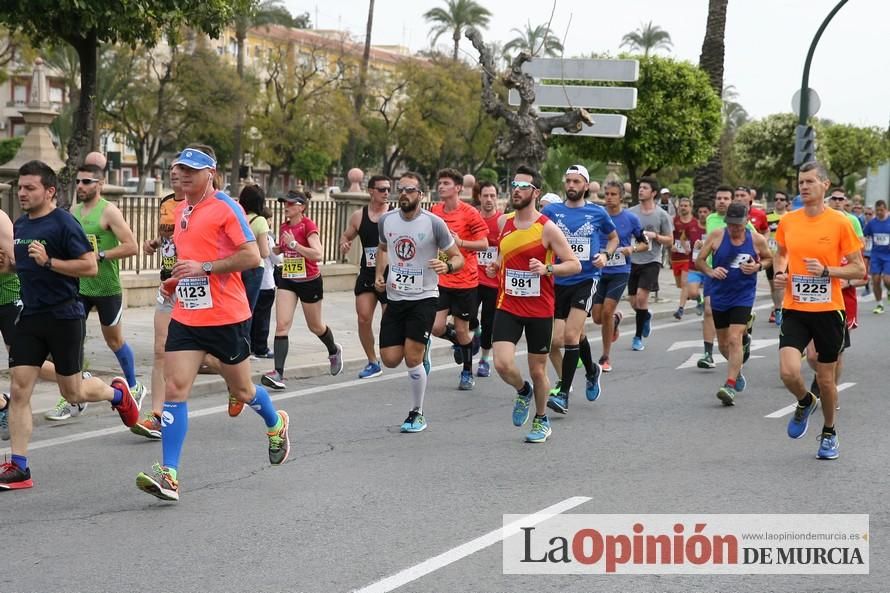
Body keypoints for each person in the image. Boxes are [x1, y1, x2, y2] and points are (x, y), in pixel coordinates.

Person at [135, 147, 289, 501]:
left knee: (244, 391)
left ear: (211, 173)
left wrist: (203, 268)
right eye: (179, 169)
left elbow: (253, 256)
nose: (184, 175)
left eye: (192, 170)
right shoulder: (183, 211)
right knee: (175, 389)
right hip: (188, 316)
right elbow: (190, 261)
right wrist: (176, 281)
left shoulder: (226, 207)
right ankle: (170, 474)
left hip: (225, 318)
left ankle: (275, 422)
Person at [0, 160, 140, 491]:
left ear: (49, 191)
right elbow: (23, 267)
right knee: (20, 388)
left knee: (72, 391)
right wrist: (8, 266)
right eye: (20, 187)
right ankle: (19, 467)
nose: (22, 193)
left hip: (64, 316)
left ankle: (117, 393)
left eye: (30, 188)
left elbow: (90, 266)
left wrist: (50, 261)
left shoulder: (65, 223)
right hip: (31, 316)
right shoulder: (21, 225)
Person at [773, 161, 865, 460]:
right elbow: (782, 253)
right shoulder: (789, 221)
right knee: (788, 372)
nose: (804, 186)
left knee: (826, 380)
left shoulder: (840, 222)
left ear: (825, 185)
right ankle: (804, 401)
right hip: (795, 307)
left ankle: (829, 432)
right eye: (801, 181)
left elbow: (858, 269)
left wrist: (827, 271)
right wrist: (780, 271)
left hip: (828, 311)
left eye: (810, 181)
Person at [42, 164, 143, 422]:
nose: (80, 187)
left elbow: (131, 246)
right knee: (72, 340)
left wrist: (99, 255)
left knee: (114, 340)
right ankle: (73, 397)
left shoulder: (109, 211)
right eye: (78, 182)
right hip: (80, 287)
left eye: (87, 182)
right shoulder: (73, 212)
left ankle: (133, 387)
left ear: (100, 184)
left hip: (106, 286)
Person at [488, 165, 580, 443]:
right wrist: (496, 265)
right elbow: (503, 254)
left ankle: (541, 420)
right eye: (514, 184)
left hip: (540, 309)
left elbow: (574, 265)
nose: (517, 189)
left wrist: (547, 269)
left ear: (535, 192)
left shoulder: (547, 228)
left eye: (523, 186)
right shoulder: (504, 223)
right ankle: (522, 391)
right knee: (502, 364)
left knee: (538, 369)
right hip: (508, 305)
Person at [374, 171, 463, 432]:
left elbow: (457, 257)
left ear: (421, 195)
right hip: (395, 297)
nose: (404, 194)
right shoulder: (386, 221)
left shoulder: (434, 223)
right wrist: (380, 273)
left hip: (423, 298)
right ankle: (421, 352)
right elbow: (382, 249)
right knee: (390, 359)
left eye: (410, 190)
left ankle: (417, 412)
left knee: (412, 358)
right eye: (400, 189)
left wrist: (446, 266)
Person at [542, 164, 617, 415]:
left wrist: (606, 255)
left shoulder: (597, 212)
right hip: (558, 281)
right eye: (569, 181)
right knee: (557, 340)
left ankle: (563, 393)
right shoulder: (552, 211)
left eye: (577, 181)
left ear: (586, 185)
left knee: (570, 337)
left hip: (586, 278)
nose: (572, 185)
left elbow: (614, 237)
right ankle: (591, 370)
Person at [262, 190, 343, 390]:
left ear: (301, 206)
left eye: (289, 204)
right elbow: (288, 249)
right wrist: (281, 249)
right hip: (288, 279)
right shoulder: (283, 227)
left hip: (309, 281)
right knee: (282, 324)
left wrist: (294, 244)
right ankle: (278, 373)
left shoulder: (308, 226)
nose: (285, 207)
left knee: (315, 326)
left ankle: (333, 350)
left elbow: (318, 254)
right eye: (284, 204)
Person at [696, 203, 771, 405]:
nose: (735, 229)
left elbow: (769, 259)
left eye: (738, 225)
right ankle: (736, 372)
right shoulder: (717, 236)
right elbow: (700, 260)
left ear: (746, 222)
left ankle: (729, 385)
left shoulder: (756, 239)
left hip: (743, 295)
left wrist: (757, 266)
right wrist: (711, 272)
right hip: (720, 294)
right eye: (731, 225)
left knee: (733, 337)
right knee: (722, 345)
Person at [131, 164, 185, 439]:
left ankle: (240, 385)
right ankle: (156, 416)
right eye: (173, 170)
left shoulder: (201, 203)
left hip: (194, 284)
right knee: (160, 348)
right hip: (167, 283)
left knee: (214, 351)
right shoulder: (165, 203)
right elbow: (168, 240)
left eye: (182, 169)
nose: (175, 173)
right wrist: (155, 243)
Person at [430, 168, 489, 391]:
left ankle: (466, 371)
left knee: (464, 330)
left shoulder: (470, 213)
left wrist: (460, 243)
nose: (441, 187)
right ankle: (463, 343)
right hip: (442, 280)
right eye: (440, 183)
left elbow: (484, 244)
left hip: (466, 281)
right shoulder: (435, 211)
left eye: (446, 183)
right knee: (436, 328)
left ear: (457, 188)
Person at [339, 174, 391, 379]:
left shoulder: (394, 216)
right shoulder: (359, 216)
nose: (386, 193)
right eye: (381, 189)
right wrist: (344, 244)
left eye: (388, 189)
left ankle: (401, 351)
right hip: (367, 273)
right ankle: (372, 361)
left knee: (391, 320)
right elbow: (346, 235)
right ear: (370, 191)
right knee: (363, 319)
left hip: (390, 275)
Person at [592, 180, 646, 373]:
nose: (609, 197)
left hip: (620, 271)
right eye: (607, 194)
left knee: (606, 311)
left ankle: (605, 357)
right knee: (598, 318)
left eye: (613, 194)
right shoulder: (597, 216)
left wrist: (631, 248)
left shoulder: (630, 219)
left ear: (621, 197)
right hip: (599, 271)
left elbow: (644, 243)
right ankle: (614, 320)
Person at [628, 177, 673, 351]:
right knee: (634, 302)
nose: (641, 190)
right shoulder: (631, 212)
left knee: (641, 297)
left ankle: (637, 338)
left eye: (645, 188)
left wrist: (656, 236)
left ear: (653, 193)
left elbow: (670, 241)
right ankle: (645, 315)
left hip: (652, 261)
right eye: (640, 187)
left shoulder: (662, 215)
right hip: (633, 260)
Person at [470, 180, 501, 378]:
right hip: (472, 278)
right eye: (485, 196)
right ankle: (476, 333)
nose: (489, 200)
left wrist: (496, 263)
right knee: (467, 315)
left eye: (492, 196)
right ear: (479, 197)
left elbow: (506, 248)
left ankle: (484, 359)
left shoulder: (502, 221)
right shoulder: (473, 218)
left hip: (493, 280)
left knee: (489, 321)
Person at [237, 184, 272, 322]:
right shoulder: (260, 221)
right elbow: (264, 252)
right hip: (254, 269)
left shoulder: (238, 218)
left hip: (238, 266)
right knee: (248, 310)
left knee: (238, 306)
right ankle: (247, 341)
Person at [251, 214, 280, 360]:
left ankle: (250, 346)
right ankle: (261, 347)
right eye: (269, 219)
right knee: (263, 317)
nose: (270, 222)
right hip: (265, 282)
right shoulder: (267, 238)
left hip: (249, 279)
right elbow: (275, 258)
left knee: (251, 315)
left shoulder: (246, 226)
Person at [670, 197, 703, 320]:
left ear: (690, 207)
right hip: (676, 257)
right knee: (681, 286)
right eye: (681, 205)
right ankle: (699, 299)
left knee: (685, 284)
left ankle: (680, 309)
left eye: (685, 205)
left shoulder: (695, 222)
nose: (683, 208)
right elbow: (669, 236)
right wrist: (671, 245)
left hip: (688, 258)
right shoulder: (674, 221)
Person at [766, 190, 790, 325]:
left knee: (781, 284)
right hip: (770, 255)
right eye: (776, 199)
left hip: (785, 256)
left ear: (787, 202)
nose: (778, 201)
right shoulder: (767, 216)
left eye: (782, 199)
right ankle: (777, 308)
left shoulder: (790, 217)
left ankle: (780, 309)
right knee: (773, 286)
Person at [863, 199, 890, 314]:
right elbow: (863, 235)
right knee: (876, 280)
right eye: (877, 210)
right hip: (876, 255)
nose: (879, 212)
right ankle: (879, 304)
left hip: (888, 256)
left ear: (886, 210)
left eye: (881, 210)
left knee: (887, 280)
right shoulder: (872, 223)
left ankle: (889, 290)